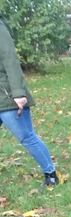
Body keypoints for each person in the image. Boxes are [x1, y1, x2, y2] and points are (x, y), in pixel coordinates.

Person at [0, 16, 59, 187]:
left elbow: (10, 60)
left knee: (26, 137)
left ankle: (51, 175)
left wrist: (18, 93)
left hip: (7, 95)